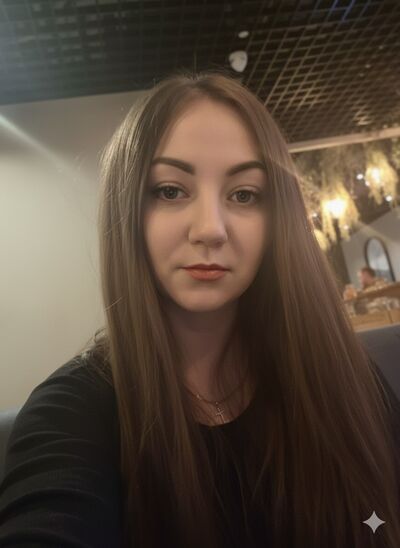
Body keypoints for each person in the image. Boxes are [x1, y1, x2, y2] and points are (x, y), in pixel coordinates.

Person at [0, 70, 399, 548]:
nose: (210, 228)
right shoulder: (73, 413)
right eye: (170, 191)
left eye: (244, 194)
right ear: (128, 212)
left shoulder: (344, 379)